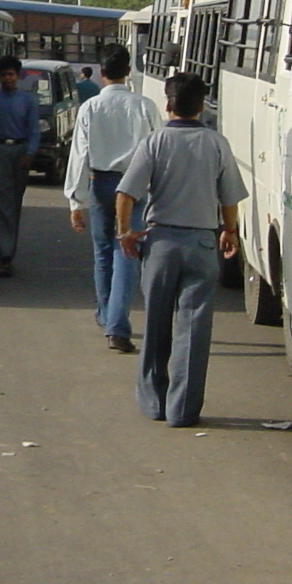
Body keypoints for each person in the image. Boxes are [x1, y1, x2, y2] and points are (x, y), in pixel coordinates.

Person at [116, 71, 246, 425]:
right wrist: (229, 231)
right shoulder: (217, 143)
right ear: (202, 106)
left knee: (157, 323)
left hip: (161, 243)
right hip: (202, 242)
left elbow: (126, 193)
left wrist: (125, 231)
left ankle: (154, 402)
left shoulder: (154, 142)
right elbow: (229, 198)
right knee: (194, 328)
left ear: (168, 104)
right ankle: (183, 410)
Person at [65, 47, 163, 353]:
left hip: (100, 183)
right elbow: (158, 151)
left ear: (101, 72)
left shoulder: (90, 107)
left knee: (103, 252)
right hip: (135, 186)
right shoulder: (145, 106)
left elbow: (79, 155)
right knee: (128, 251)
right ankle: (117, 327)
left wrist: (75, 202)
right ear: (128, 71)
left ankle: (107, 314)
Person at [0, 55, 40, 276]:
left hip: (20, 154)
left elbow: (34, 130)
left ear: (18, 75)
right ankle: (5, 255)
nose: (8, 78)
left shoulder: (28, 100)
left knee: (14, 203)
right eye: (4, 75)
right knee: (4, 204)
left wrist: (30, 153)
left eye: (11, 74)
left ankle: (6, 248)